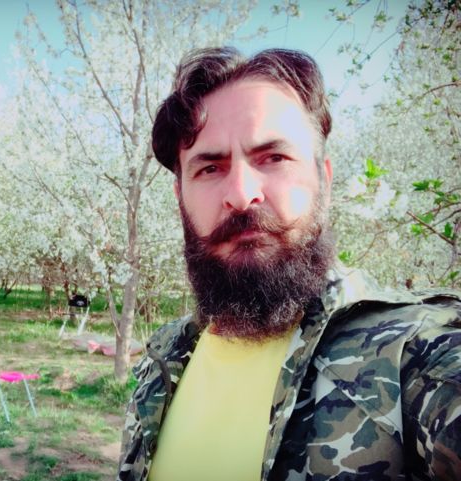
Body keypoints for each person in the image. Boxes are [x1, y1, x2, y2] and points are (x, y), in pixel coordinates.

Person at [117, 47, 461, 481]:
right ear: (180, 196)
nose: (241, 195)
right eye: (209, 168)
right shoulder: (163, 357)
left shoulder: (412, 352)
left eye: (273, 158)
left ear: (324, 181)